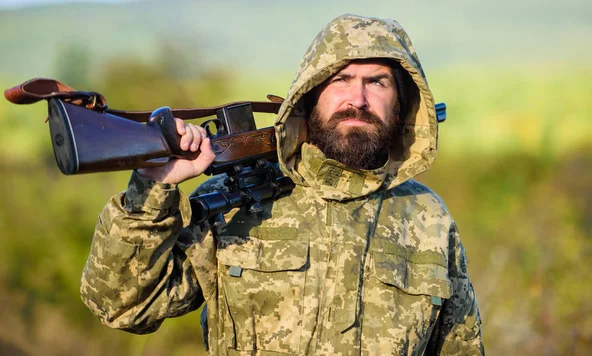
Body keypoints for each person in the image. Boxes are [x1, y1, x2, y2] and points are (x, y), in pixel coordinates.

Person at [80, 14, 484, 355]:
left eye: (377, 82)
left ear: (402, 103)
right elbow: (123, 306)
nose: (357, 99)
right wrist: (152, 190)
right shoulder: (236, 200)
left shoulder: (429, 219)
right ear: (310, 95)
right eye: (341, 79)